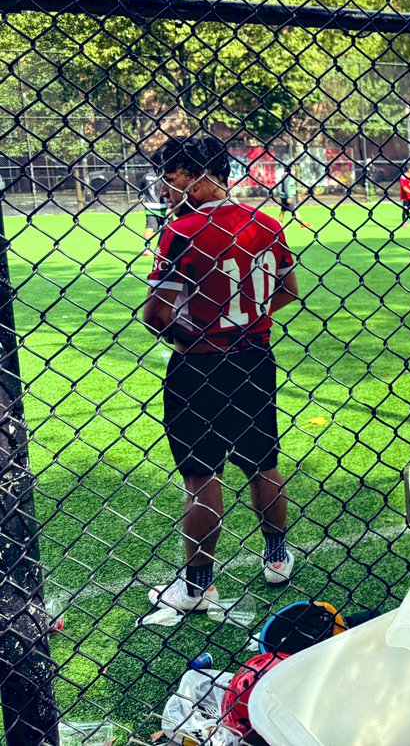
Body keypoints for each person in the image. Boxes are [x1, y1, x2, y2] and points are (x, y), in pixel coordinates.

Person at [141, 134, 301, 612]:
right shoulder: (267, 223)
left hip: (199, 365)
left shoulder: (182, 231)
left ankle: (197, 587)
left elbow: (156, 314)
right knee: (263, 461)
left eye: (172, 179)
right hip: (254, 357)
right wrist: (245, 318)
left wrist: (190, 330)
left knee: (201, 475)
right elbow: (288, 291)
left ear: (196, 175)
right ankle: (276, 557)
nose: (167, 191)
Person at [140, 170, 168, 257]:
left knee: (150, 226)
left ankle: (146, 248)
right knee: (168, 228)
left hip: (149, 206)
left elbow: (141, 189)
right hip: (163, 206)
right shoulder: (163, 176)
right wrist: (170, 206)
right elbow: (166, 191)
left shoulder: (146, 176)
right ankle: (165, 247)